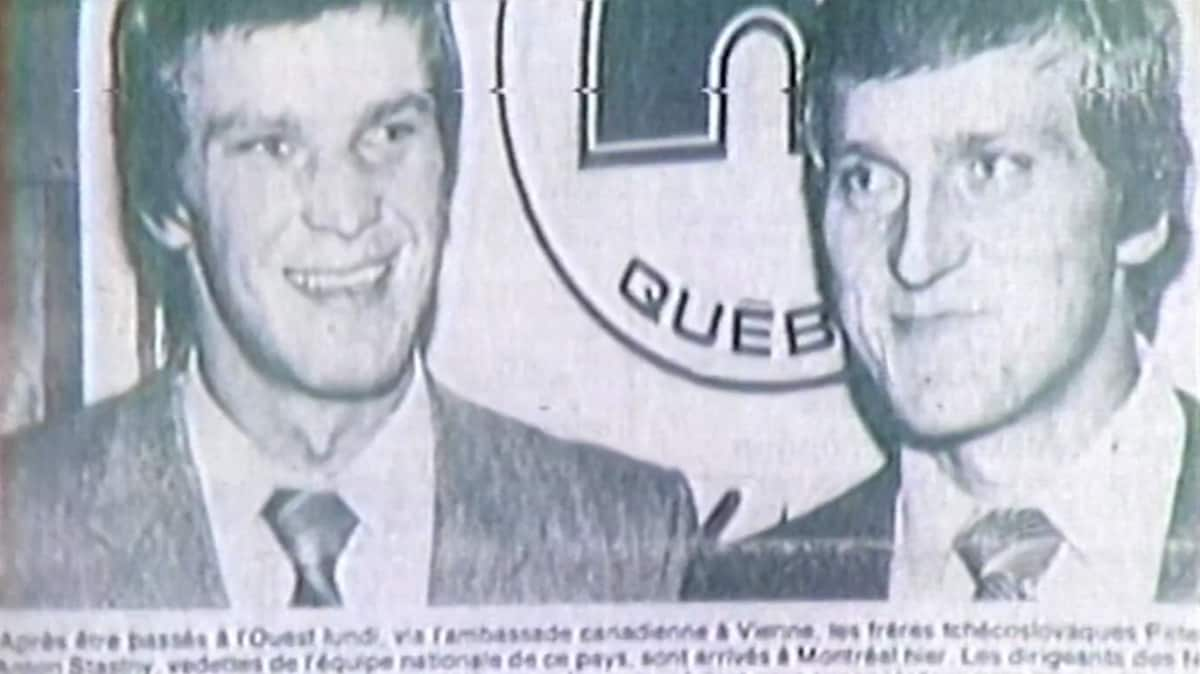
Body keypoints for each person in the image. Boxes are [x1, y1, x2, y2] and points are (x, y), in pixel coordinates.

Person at [0, 0, 696, 609]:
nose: (349, 210)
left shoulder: (629, 539)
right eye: (273, 147)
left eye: (389, 133)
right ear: (166, 203)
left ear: (448, 158)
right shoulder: (20, 526)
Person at [685, 0, 1198, 602]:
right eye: (867, 180)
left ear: (1140, 208)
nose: (916, 257)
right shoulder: (748, 596)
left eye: (991, 170)